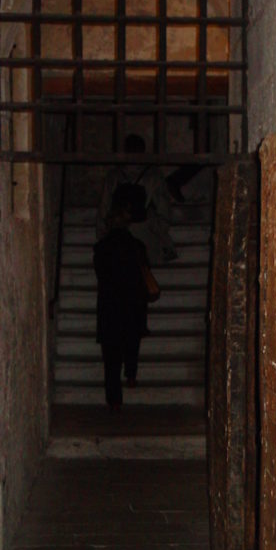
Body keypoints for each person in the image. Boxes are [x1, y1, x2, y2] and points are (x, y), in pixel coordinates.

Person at [93, 184, 150, 411]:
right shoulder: (137, 247)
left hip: (110, 304)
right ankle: (131, 373)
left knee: (111, 355)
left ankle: (114, 398)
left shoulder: (101, 248)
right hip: (132, 302)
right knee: (131, 340)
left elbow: (101, 275)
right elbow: (143, 273)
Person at [96, 133, 178, 265]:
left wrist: (103, 234)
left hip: (120, 233)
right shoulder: (153, 175)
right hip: (145, 233)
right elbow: (164, 209)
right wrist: (159, 229)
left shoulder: (114, 176)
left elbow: (104, 207)